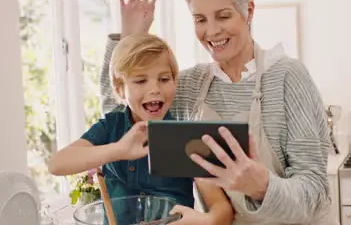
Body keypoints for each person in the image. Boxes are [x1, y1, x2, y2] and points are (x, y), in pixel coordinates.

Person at [100, 0, 336, 224]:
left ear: (248, 11)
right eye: (200, 19)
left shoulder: (287, 77)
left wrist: (262, 186)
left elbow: (315, 191)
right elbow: (120, 129)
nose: (211, 31)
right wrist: (128, 40)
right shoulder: (190, 86)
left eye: (223, 16)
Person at [48, 34, 233, 225]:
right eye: (140, 81)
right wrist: (119, 150)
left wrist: (204, 221)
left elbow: (222, 211)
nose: (155, 89)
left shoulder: (183, 140)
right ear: (120, 89)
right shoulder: (111, 128)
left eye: (164, 79)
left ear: (175, 82)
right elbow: (56, 164)